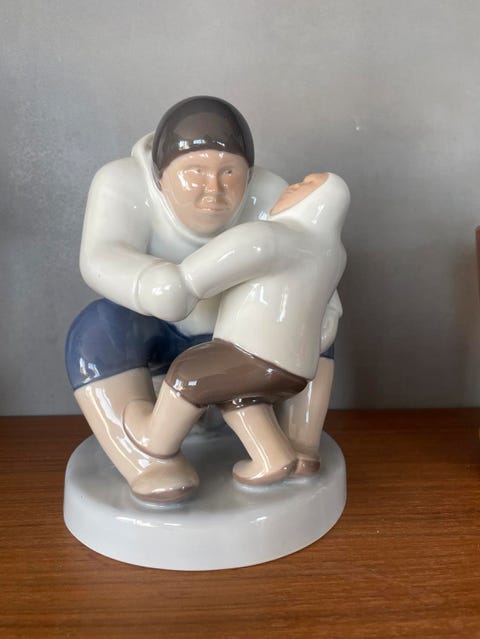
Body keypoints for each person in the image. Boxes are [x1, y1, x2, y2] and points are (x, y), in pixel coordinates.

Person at [65, 96, 342, 502]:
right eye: (195, 172)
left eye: (229, 172)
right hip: (155, 329)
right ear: (160, 174)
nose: (214, 189)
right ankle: (149, 460)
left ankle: (299, 440)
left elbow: (308, 261)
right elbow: (101, 255)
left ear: (249, 173)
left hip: (247, 336)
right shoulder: (121, 183)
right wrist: (149, 282)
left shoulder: (270, 193)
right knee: (95, 333)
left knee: (311, 322)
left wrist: (328, 310)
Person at [124, 172, 350, 501]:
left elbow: (217, 262)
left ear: (322, 204)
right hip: (299, 371)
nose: (293, 186)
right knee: (239, 395)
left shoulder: (273, 236)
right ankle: (272, 456)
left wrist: (185, 282)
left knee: (190, 372)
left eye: (305, 186)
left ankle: (155, 438)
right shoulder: (334, 255)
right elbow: (331, 313)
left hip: (250, 354)